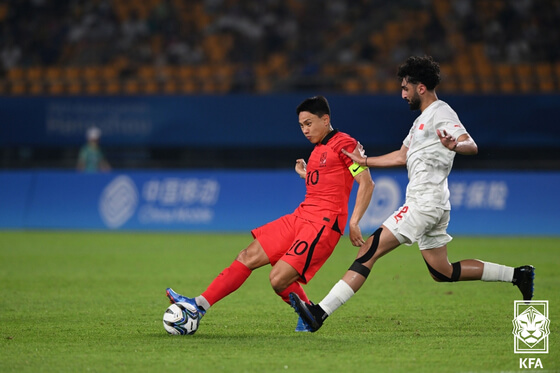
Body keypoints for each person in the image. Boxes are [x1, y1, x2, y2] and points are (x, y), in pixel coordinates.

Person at [289, 56, 535, 332]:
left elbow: (471, 144)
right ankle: (518, 275)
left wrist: (455, 144)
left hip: (424, 202)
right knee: (443, 271)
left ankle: (319, 313)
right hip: (437, 203)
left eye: (406, 87)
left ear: (420, 87)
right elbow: (401, 155)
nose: (402, 93)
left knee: (369, 250)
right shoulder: (422, 121)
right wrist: (364, 161)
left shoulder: (441, 112)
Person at [166, 96, 374, 332]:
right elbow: (330, 182)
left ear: (325, 120)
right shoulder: (318, 150)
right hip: (301, 216)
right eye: (301, 126)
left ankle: (310, 315)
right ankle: (198, 306)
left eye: (308, 123)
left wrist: (355, 221)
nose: (305, 130)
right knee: (248, 255)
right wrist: (306, 175)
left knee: (278, 279)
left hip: (323, 225)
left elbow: (366, 183)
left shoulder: (344, 143)